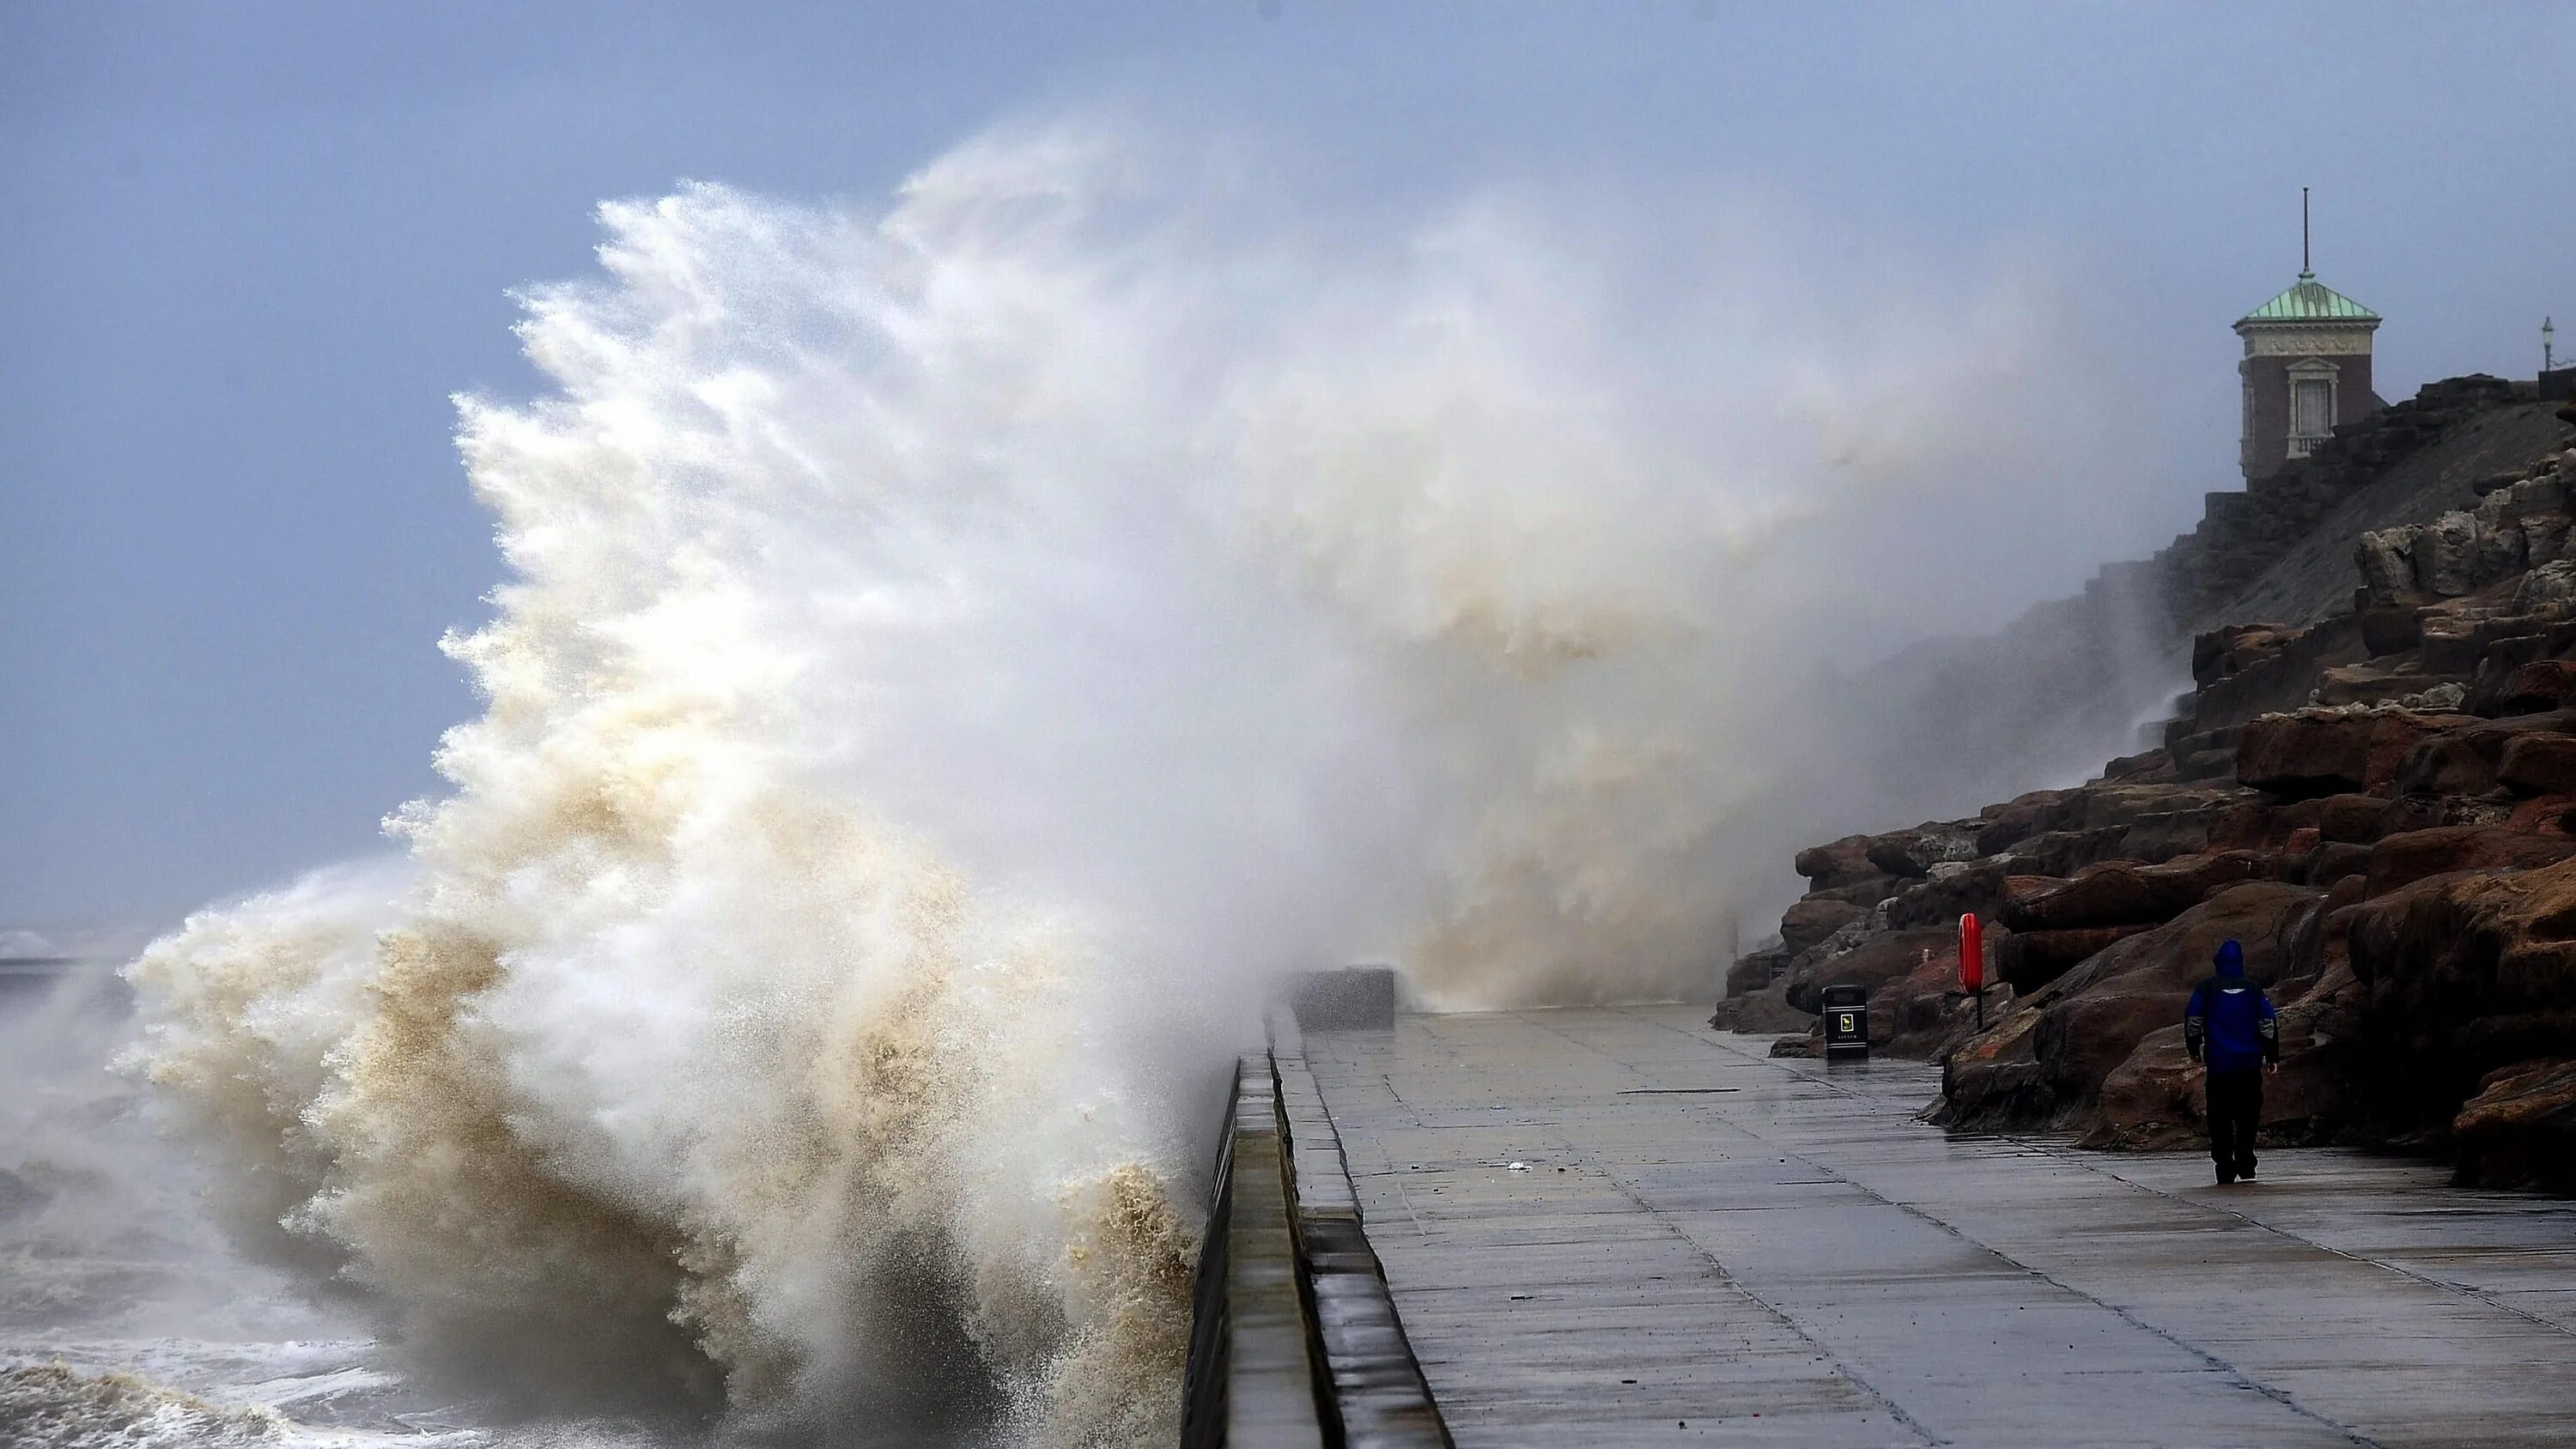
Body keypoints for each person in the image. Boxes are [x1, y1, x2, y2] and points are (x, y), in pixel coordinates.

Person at [2183, 938, 2279, 1185]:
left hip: (2219, 1065)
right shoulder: (2254, 989)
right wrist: (2272, 1055)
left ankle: (2224, 1166)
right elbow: (2267, 1023)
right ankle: (2246, 1159)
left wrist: (2194, 1048)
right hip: (2249, 1064)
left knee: (2220, 1116)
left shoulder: (2206, 988)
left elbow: (2193, 1019)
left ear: (2218, 962)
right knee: (2249, 1114)